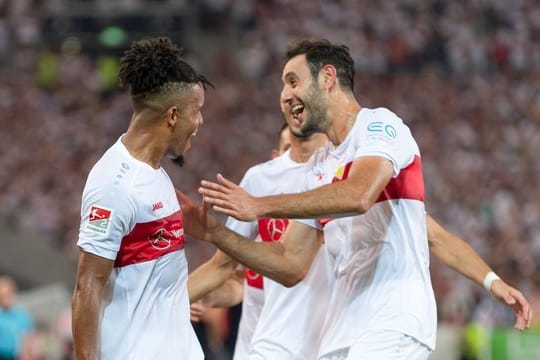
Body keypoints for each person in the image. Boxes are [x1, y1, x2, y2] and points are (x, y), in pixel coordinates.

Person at [190, 38, 532, 359]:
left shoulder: (380, 126)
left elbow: (360, 194)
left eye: (293, 81)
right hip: (340, 333)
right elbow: (289, 264)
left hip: (393, 319)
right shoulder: (318, 170)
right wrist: (216, 234)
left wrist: (261, 206)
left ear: (327, 78)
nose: (285, 94)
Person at [71, 36, 212, 360]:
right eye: (197, 111)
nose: (200, 122)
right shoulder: (114, 184)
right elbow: (86, 288)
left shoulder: (154, 174)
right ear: (173, 115)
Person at [188, 122, 330, 359]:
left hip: (325, 342)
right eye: (288, 147)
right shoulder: (260, 186)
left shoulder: (335, 190)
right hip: (264, 344)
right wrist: (204, 296)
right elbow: (233, 277)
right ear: (276, 157)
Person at [0, 276, 35, 360]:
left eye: (8, 294)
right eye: (2, 295)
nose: (5, 299)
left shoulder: (23, 316)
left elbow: (29, 339)